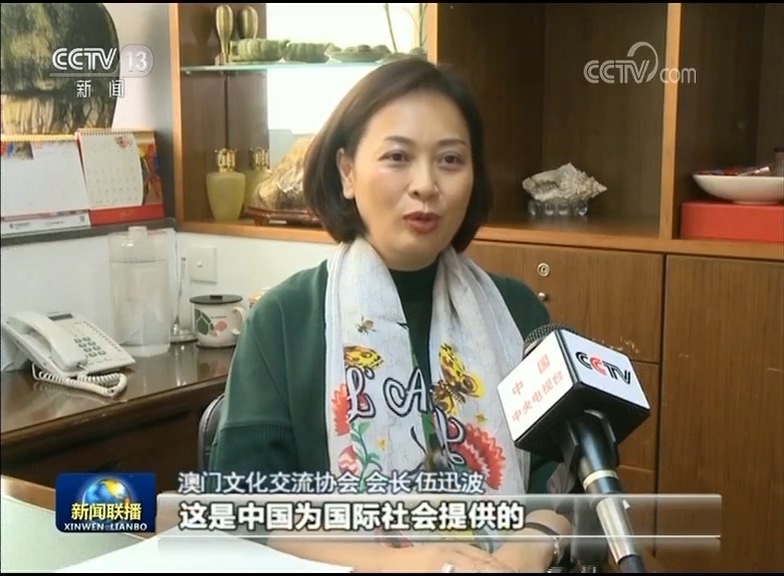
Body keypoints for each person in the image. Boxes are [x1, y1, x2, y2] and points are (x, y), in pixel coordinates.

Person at [210, 56, 572, 572]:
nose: (426, 184)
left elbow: (572, 478)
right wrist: (388, 563)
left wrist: (529, 548)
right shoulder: (285, 320)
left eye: (450, 160)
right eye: (398, 157)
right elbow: (243, 509)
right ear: (347, 172)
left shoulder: (517, 312)